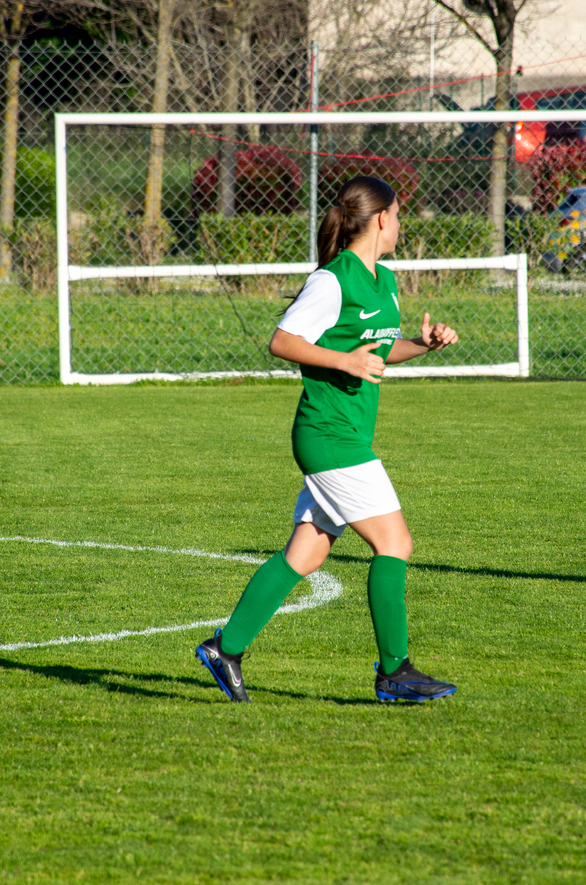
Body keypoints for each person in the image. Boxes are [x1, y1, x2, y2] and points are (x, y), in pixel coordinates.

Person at [196, 176, 462, 701]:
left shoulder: (385, 280)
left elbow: (377, 352)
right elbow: (282, 341)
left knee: (306, 553)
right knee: (395, 543)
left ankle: (226, 649)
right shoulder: (332, 280)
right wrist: (343, 361)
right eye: (398, 214)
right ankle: (394, 673)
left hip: (346, 433)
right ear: (381, 218)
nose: (400, 224)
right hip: (328, 435)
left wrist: (421, 344)